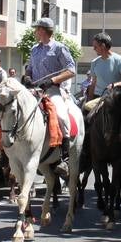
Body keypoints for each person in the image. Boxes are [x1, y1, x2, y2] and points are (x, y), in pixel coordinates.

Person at [26, 16, 77, 164]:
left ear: (42, 30)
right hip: (34, 91)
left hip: (52, 91)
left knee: (61, 116)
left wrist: (52, 81)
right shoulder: (34, 49)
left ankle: (64, 155)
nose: (35, 32)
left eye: (37, 29)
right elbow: (29, 68)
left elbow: (71, 70)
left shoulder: (60, 48)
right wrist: (27, 77)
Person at [84, 32, 121, 105]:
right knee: (86, 110)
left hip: (114, 98)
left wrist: (114, 85)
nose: (94, 49)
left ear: (103, 46)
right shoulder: (94, 62)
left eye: (95, 46)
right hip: (97, 98)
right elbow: (93, 83)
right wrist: (89, 101)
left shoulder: (120, 60)